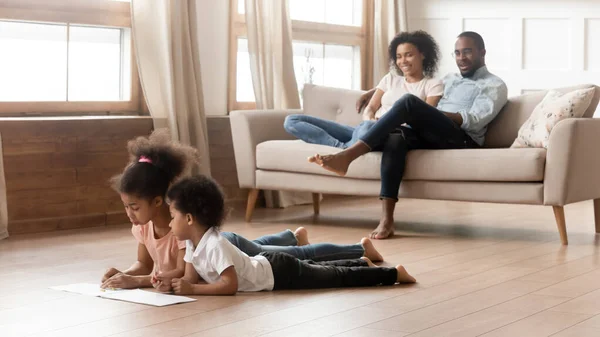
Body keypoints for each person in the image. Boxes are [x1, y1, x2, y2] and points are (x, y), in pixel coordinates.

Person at [100, 130, 384, 291]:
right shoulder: (144, 227)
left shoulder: (182, 230)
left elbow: (188, 274)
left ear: (159, 202)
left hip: (225, 245)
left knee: (292, 257)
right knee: (263, 247)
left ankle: (356, 248)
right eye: (126, 206)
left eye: (134, 207)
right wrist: (122, 275)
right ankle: (291, 234)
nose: (129, 214)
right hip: (222, 250)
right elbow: (146, 266)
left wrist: (136, 282)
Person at [310, 31, 508, 240]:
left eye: (467, 52)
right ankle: (387, 219)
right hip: (430, 132)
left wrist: (428, 113)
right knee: (396, 136)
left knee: (409, 103)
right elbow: (414, 84)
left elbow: (475, 119)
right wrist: (372, 92)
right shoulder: (449, 79)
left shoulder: (494, 85)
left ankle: (348, 155)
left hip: (462, 138)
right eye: (457, 53)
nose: (462, 58)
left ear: (482, 52)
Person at [163, 175, 416, 296]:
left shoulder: (216, 244)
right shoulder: (190, 243)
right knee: (322, 269)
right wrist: (172, 285)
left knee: (334, 277)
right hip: (271, 267)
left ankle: (393, 273)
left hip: (278, 272)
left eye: (172, 215)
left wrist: (192, 289)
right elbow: (189, 276)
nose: (169, 221)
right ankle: (360, 262)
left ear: (189, 218)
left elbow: (230, 286)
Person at [283, 30, 443, 149]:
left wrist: (380, 125)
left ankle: (348, 150)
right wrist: (370, 119)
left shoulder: (433, 85)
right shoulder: (390, 79)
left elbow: (424, 120)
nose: (403, 61)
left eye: (408, 55)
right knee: (292, 121)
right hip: (364, 128)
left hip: (389, 133)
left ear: (422, 55)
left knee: (367, 128)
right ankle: (342, 148)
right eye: (399, 56)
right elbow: (371, 108)